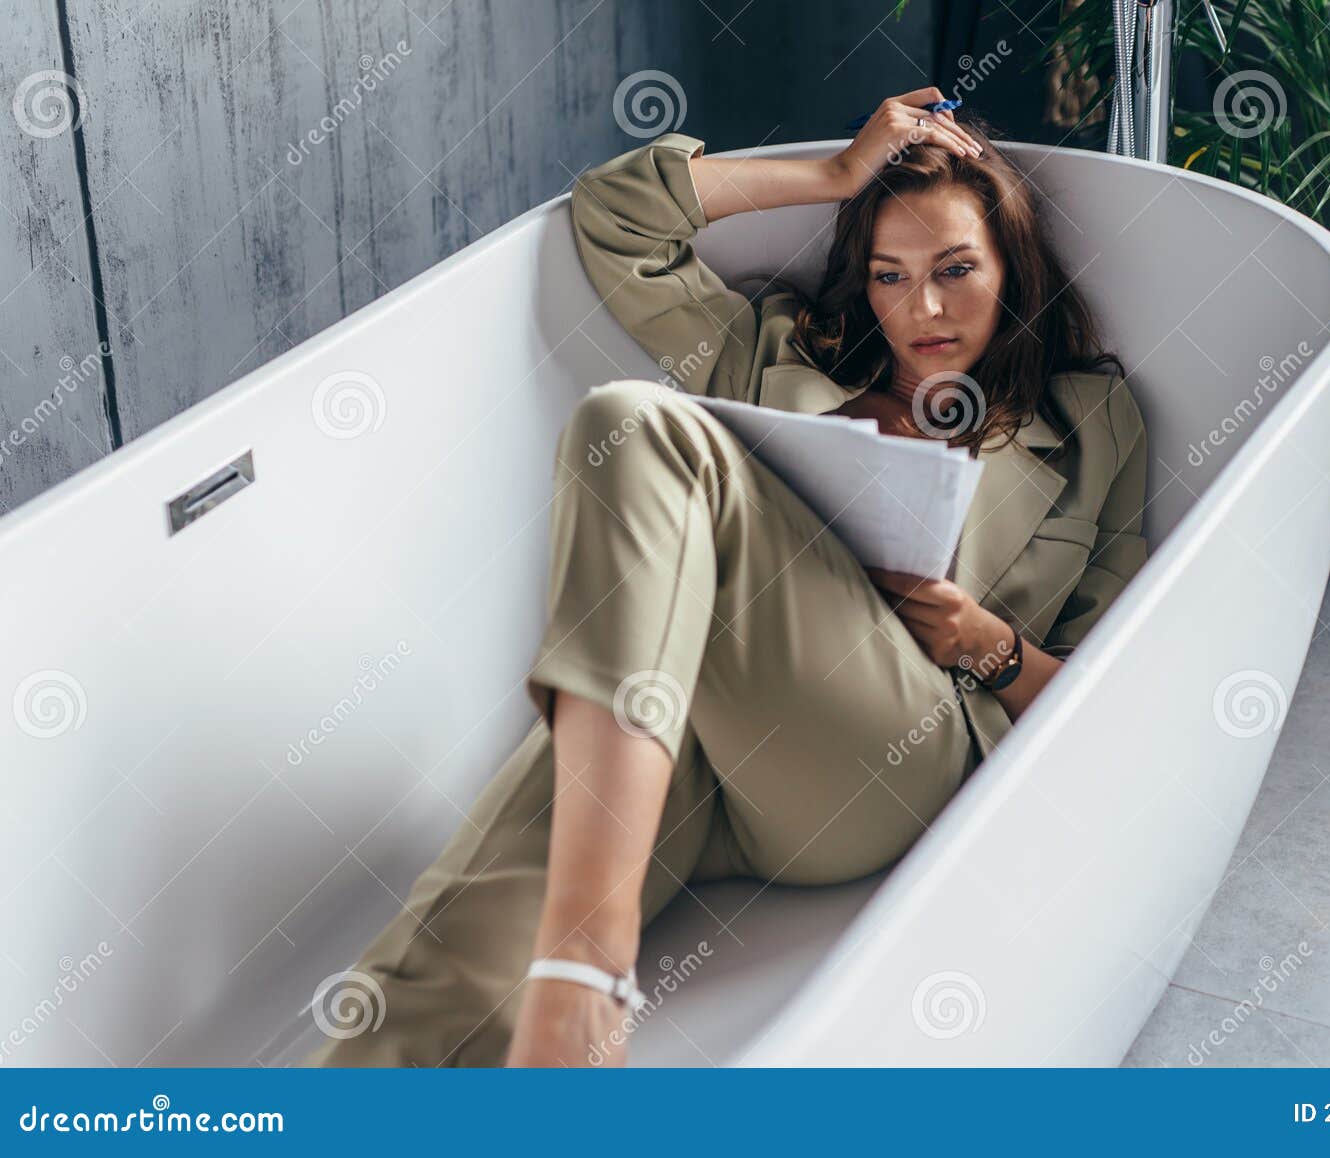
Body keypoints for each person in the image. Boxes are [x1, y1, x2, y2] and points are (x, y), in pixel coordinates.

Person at [305, 87, 1148, 1068]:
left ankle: (592, 964)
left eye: (956, 269)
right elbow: (616, 218)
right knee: (444, 965)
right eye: (889, 275)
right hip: (689, 734)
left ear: (1011, 266)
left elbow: (1115, 696)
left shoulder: (1091, 426)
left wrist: (982, 641)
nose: (923, 307)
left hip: (892, 755)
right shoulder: (774, 353)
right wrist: (832, 174)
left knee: (636, 426)